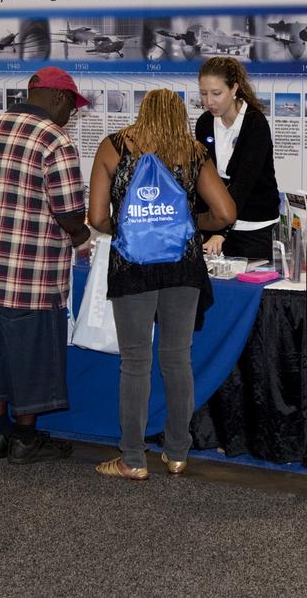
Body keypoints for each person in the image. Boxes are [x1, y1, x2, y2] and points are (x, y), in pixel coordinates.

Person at [88, 89, 236, 480]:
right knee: (177, 358)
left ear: (143, 110)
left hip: (132, 265)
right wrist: (187, 227)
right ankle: (176, 454)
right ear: (178, 114)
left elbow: (97, 217)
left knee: (135, 362)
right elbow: (224, 213)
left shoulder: (114, 146)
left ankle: (133, 459)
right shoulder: (192, 152)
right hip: (182, 266)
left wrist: (130, 230)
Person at [0, 67, 90, 464]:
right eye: (72, 108)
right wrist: (81, 236)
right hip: (32, 276)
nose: (71, 116)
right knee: (30, 359)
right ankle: (25, 439)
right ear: (59, 99)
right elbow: (68, 210)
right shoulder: (54, 139)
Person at [194, 57, 280, 260]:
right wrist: (201, 225)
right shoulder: (204, 123)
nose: (209, 101)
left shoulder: (255, 123)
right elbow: (203, 179)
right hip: (217, 224)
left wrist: (220, 232)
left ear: (234, 89)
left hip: (254, 227)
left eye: (216, 93)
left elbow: (244, 183)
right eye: (203, 93)